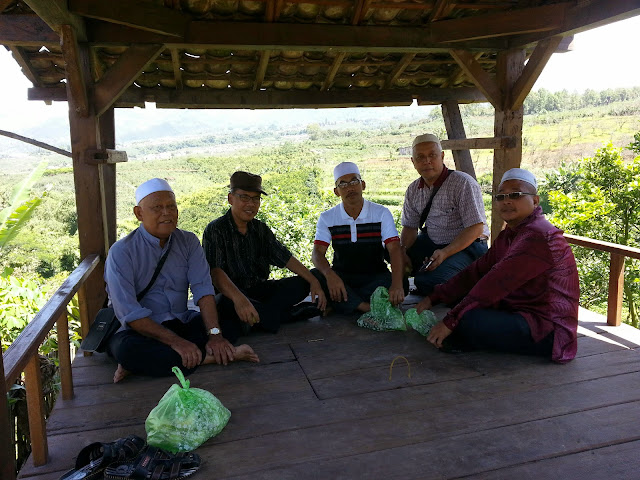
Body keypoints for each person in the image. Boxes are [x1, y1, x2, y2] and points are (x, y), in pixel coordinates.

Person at [417, 168, 580, 363]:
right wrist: (434, 297)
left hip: (547, 328)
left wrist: (450, 321)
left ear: (535, 201)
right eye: (501, 196)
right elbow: (476, 271)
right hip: (517, 310)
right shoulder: (509, 234)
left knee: (468, 320)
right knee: (460, 303)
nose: (506, 201)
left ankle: (464, 337)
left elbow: (494, 283)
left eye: (515, 194)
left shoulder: (538, 236)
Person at [106, 178, 259, 383]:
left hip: (182, 322)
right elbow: (131, 314)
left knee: (228, 314)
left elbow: (203, 290)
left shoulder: (188, 242)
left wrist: (215, 335)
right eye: (157, 208)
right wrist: (177, 342)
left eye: (171, 207)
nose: (166, 213)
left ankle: (161, 362)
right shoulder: (121, 252)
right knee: (126, 350)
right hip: (142, 331)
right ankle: (209, 357)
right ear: (139, 213)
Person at [202, 171, 326, 344]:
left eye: (256, 199)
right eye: (244, 197)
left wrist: (313, 281)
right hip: (231, 296)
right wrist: (240, 299)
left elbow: (285, 257)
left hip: (260, 292)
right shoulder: (215, 230)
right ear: (230, 199)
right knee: (223, 304)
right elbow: (215, 272)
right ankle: (285, 316)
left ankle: (257, 319)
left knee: (310, 278)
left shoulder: (260, 229)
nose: (251, 204)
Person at [401, 133, 489, 295]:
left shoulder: (462, 183)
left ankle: (468, 274)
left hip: (467, 247)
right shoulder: (413, 190)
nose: (427, 161)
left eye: (432, 155)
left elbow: (476, 228)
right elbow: (410, 227)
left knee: (429, 283)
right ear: (413, 162)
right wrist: (402, 253)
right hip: (433, 243)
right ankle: (435, 271)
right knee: (390, 251)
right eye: (420, 157)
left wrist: (445, 253)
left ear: (442, 156)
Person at [311, 162, 405, 314]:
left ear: (363, 185)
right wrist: (329, 274)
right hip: (343, 278)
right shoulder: (327, 217)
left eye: (354, 181)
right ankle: (366, 307)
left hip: (375, 277)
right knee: (316, 275)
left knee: (401, 282)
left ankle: (345, 303)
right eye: (343, 184)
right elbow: (317, 254)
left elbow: (394, 248)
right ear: (336, 192)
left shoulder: (381, 213)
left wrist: (397, 285)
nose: (350, 188)